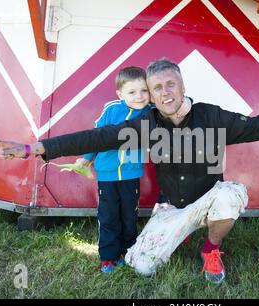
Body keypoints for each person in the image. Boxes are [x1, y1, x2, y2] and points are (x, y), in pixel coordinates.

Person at [0, 58, 259, 284]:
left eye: (170, 83)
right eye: (156, 88)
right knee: (141, 267)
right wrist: (33, 147)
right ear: (151, 96)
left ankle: (211, 248)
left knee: (231, 194)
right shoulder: (147, 125)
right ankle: (175, 237)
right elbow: (96, 136)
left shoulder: (213, 117)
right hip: (171, 207)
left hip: (209, 199)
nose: (164, 92)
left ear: (181, 83)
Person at [74, 66, 191, 273]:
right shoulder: (112, 110)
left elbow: (176, 101)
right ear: (120, 94)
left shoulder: (151, 112)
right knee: (109, 216)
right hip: (107, 175)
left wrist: (187, 102)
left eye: (144, 91)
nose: (139, 96)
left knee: (129, 215)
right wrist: (86, 158)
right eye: (132, 92)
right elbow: (96, 137)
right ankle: (108, 257)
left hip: (131, 174)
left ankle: (128, 251)